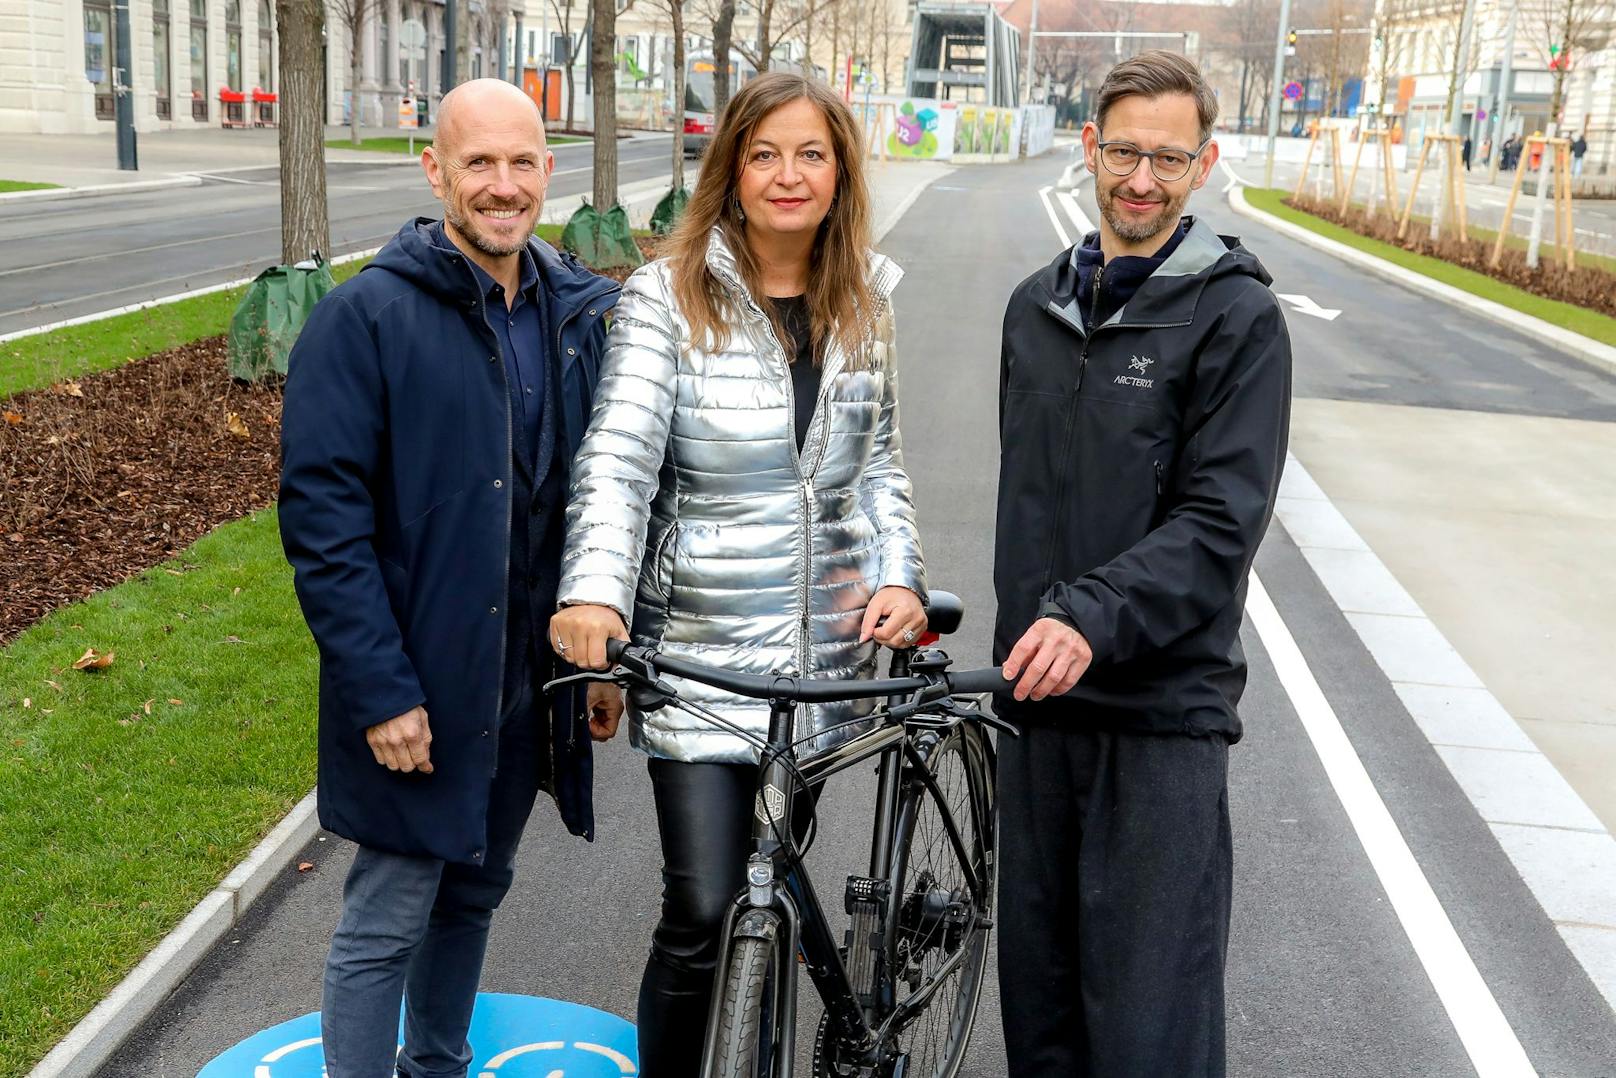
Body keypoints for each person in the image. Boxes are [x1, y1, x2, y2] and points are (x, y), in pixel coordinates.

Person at [549, 72, 928, 1074]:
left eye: (810, 153)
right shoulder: (664, 299)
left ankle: (768, 1041)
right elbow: (619, 461)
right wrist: (592, 595)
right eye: (764, 153)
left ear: (839, 168)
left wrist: (899, 575)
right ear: (732, 167)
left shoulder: (865, 304)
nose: (786, 175)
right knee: (703, 905)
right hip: (703, 663)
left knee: (770, 883)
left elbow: (878, 468)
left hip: (817, 664)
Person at [278, 79, 624, 1078]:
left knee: (474, 891)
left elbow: (592, 500)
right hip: (415, 686)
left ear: (547, 173)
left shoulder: (578, 316)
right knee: (387, 914)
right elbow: (324, 528)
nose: (503, 185)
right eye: (480, 163)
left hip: (525, 682)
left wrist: (601, 661)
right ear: (435, 172)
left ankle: (436, 1064)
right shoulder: (363, 321)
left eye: (522, 163)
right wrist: (381, 690)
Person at [990, 50, 1292, 1077]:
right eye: (1123, 150)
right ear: (1088, 146)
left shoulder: (1235, 317)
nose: (1141, 180)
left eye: (1169, 158)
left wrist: (1087, 614)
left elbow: (1220, 523)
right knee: (1041, 1022)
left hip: (1159, 721)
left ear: (1202, 165)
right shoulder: (1034, 309)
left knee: (1145, 1034)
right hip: (1037, 713)